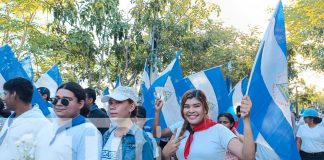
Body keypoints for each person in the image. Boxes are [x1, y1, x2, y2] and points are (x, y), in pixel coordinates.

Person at [161, 89, 255, 160]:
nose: (191, 110)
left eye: (196, 106)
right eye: (186, 107)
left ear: (205, 109)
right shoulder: (178, 131)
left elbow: (248, 157)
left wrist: (246, 119)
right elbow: (156, 134)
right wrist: (164, 154)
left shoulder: (219, 130)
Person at [35, 82, 102, 160]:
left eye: (65, 100)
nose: (59, 104)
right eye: (56, 99)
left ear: (80, 104)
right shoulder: (47, 126)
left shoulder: (88, 131)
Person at [0, 77, 50, 159]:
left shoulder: (42, 125)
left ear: (14, 95)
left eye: (5, 94)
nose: (3, 98)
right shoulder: (11, 119)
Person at [101, 86, 154, 160]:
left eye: (118, 102)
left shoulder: (141, 139)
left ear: (131, 107)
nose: (112, 107)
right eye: (110, 103)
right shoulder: (107, 135)